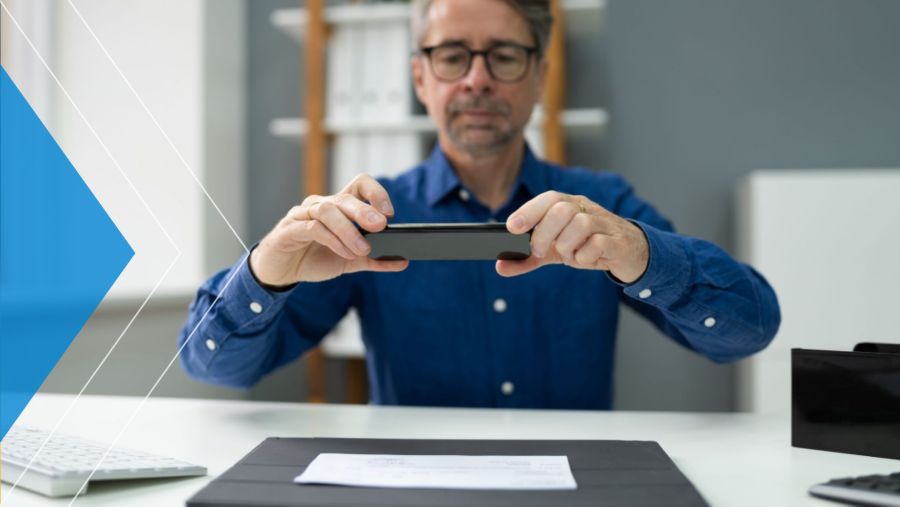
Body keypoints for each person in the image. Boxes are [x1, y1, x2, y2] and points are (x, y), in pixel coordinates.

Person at [178, 0, 780, 409]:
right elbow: (214, 368)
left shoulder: (602, 208)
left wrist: (645, 254)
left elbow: (748, 331)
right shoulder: (370, 221)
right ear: (420, 78)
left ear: (541, 75)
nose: (476, 79)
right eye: (452, 55)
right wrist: (264, 273)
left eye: (505, 55)